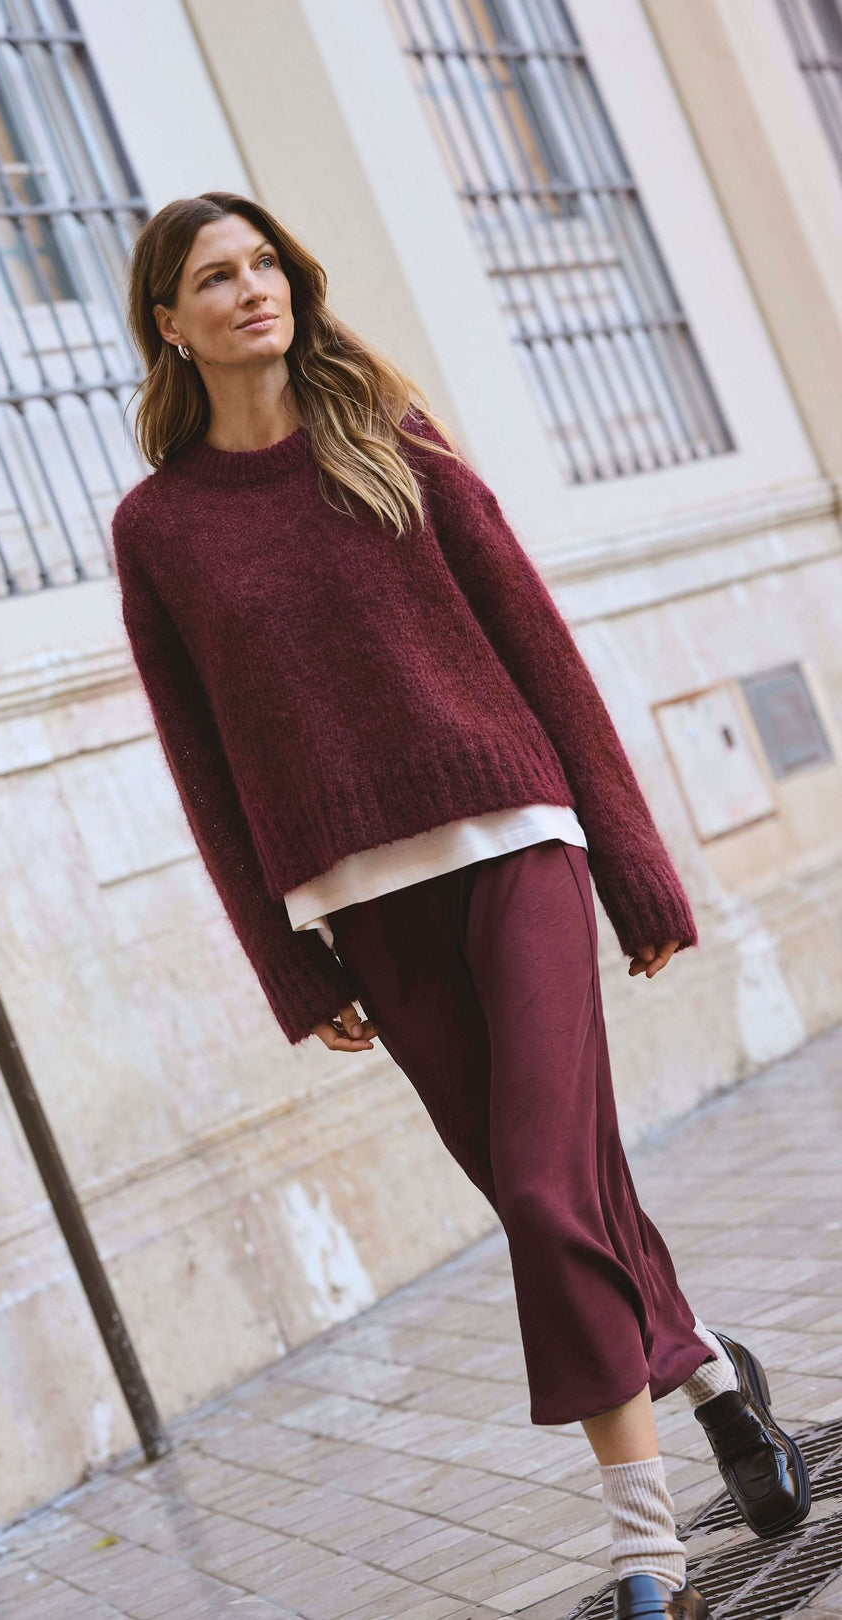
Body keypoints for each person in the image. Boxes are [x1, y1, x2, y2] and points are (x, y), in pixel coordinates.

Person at [110, 191, 810, 1620]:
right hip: (364, 902)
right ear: (168, 325)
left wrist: (632, 865)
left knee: (551, 1190)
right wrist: (290, 966)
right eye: (214, 278)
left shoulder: (391, 440)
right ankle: (720, 1380)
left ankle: (645, 1555)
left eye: (264, 266)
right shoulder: (159, 529)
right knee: (554, 1198)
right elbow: (199, 763)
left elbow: (536, 648)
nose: (252, 292)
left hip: (518, 848)